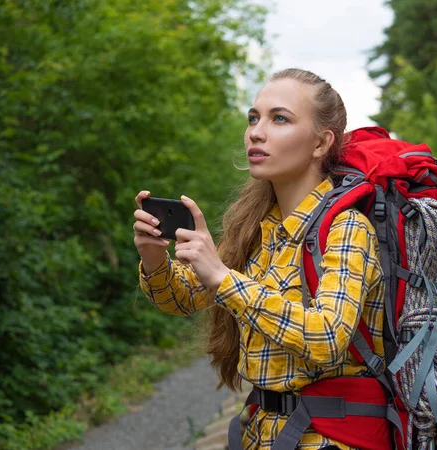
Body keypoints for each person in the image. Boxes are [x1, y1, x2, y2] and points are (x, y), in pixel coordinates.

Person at [133, 68, 387, 450]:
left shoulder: (346, 228)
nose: (256, 131)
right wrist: (155, 258)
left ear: (321, 143)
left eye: (279, 118)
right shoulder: (258, 228)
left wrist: (223, 278)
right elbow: (182, 298)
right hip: (260, 433)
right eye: (254, 118)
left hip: (328, 439)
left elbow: (327, 337)